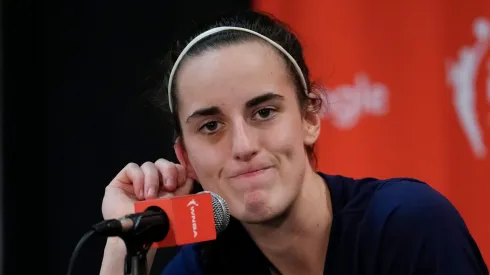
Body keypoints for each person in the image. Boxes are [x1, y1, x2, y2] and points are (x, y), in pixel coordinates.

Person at [99, 10, 489, 275]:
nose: (243, 145)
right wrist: (126, 244)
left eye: (264, 113)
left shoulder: (409, 226)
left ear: (309, 119)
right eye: (211, 125)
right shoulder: (200, 266)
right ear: (185, 157)